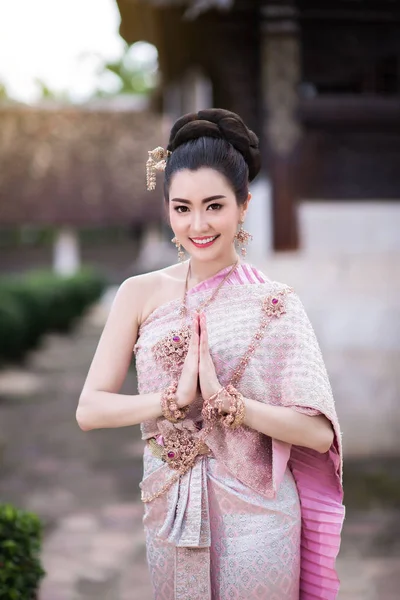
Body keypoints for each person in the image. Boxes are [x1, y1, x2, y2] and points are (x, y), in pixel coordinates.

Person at [76, 109, 345, 600]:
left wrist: (228, 401)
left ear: (243, 205)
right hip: (170, 507)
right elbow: (90, 410)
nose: (197, 224)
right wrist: (172, 400)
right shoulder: (138, 294)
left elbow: (317, 432)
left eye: (214, 206)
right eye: (182, 208)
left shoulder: (275, 302)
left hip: (258, 518)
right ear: (167, 210)